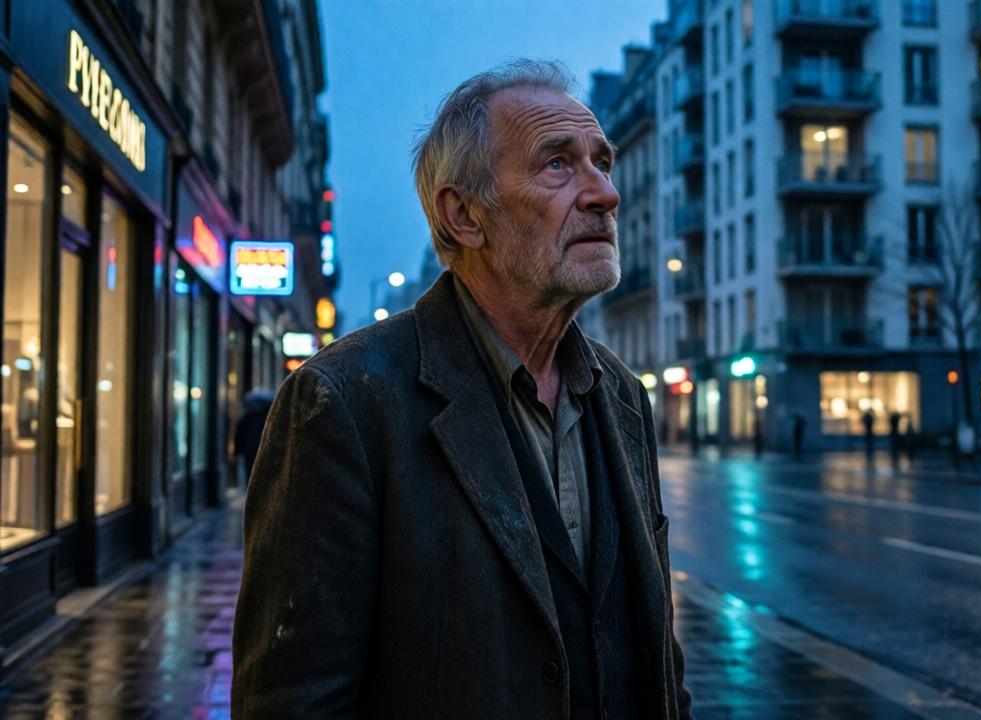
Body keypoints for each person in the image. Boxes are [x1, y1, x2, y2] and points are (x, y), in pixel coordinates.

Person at [232, 60, 693, 719]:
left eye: (603, 162)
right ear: (463, 216)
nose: (604, 194)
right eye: (557, 165)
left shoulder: (620, 396)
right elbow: (293, 700)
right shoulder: (346, 402)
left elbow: (659, 661)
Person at [231, 388, 273, 488]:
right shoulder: (268, 417)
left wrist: (238, 451)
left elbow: (239, 434)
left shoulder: (247, 417)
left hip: (250, 450)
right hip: (261, 450)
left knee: (251, 473)